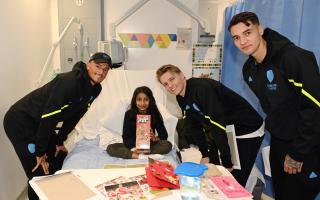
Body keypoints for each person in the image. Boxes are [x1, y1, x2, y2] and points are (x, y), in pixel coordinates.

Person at [228, 11, 320, 199]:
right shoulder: (249, 71)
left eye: (247, 32)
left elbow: (315, 108)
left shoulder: (293, 58)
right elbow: (273, 109)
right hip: (280, 143)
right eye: (236, 38)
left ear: (260, 30)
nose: (242, 41)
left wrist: (297, 153)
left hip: (308, 145)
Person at [3, 52, 113, 200]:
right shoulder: (70, 82)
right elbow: (50, 116)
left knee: (58, 159)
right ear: (88, 64)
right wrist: (40, 152)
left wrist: (59, 141)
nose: (101, 72)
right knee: (39, 173)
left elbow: (75, 115)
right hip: (21, 121)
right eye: (98, 66)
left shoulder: (95, 89)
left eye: (105, 69)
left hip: (40, 123)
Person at [156, 64, 264, 187]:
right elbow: (194, 126)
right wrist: (205, 154)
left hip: (247, 127)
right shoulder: (180, 98)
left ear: (181, 75)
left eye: (172, 79)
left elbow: (217, 123)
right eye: (165, 84)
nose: (170, 86)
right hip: (229, 128)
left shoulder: (201, 88)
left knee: (235, 179)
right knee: (212, 167)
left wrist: (227, 160)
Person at [107, 86, 172, 159]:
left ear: (150, 100)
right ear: (135, 101)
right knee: (110, 148)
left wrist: (154, 138)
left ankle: (138, 154)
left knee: (168, 145)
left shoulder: (154, 113)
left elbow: (164, 135)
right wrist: (134, 148)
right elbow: (126, 137)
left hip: (149, 145)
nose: (142, 103)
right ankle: (140, 156)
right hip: (132, 145)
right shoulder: (129, 114)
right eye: (139, 99)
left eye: (146, 99)